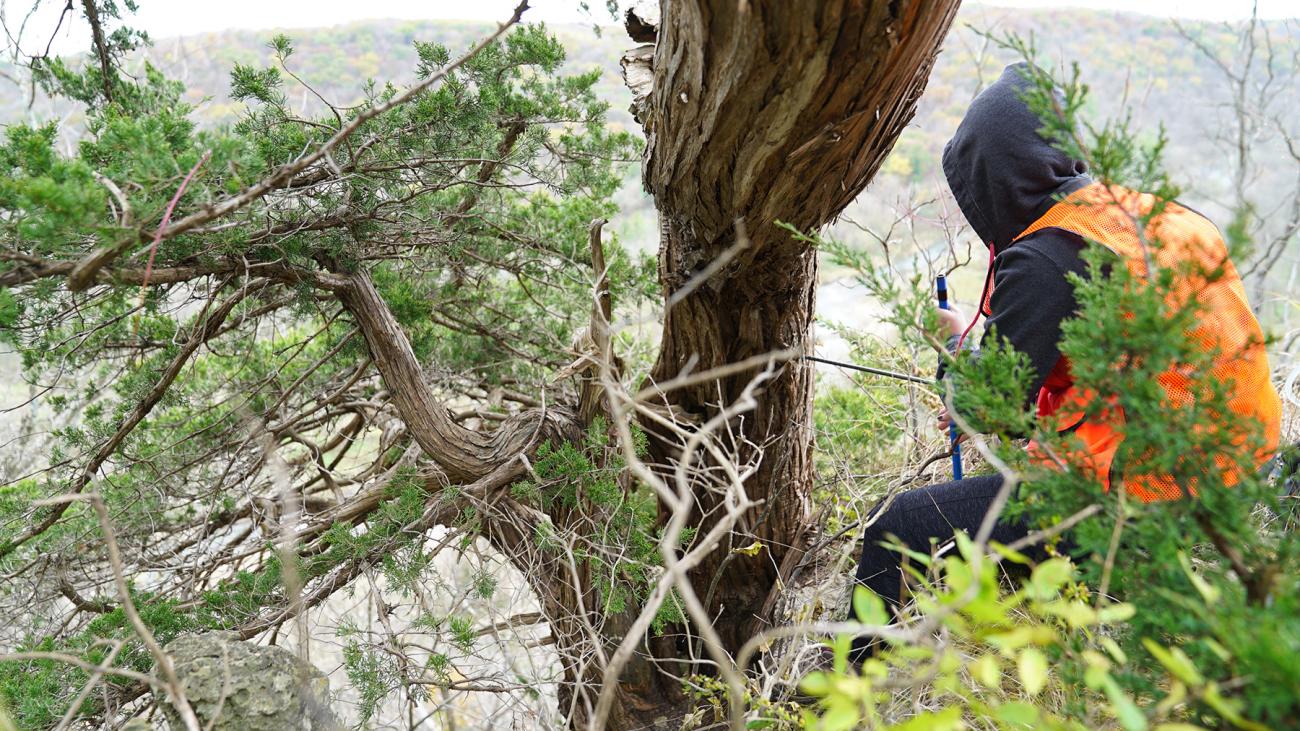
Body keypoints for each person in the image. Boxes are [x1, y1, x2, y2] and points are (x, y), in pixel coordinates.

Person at [848, 62, 1283, 662]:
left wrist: (954, 352)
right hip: (1239, 467)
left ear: (994, 179)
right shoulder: (1154, 215)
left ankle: (844, 693)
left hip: (1150, 497)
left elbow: (986, 406)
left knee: (893, 525)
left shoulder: (1051, 255)